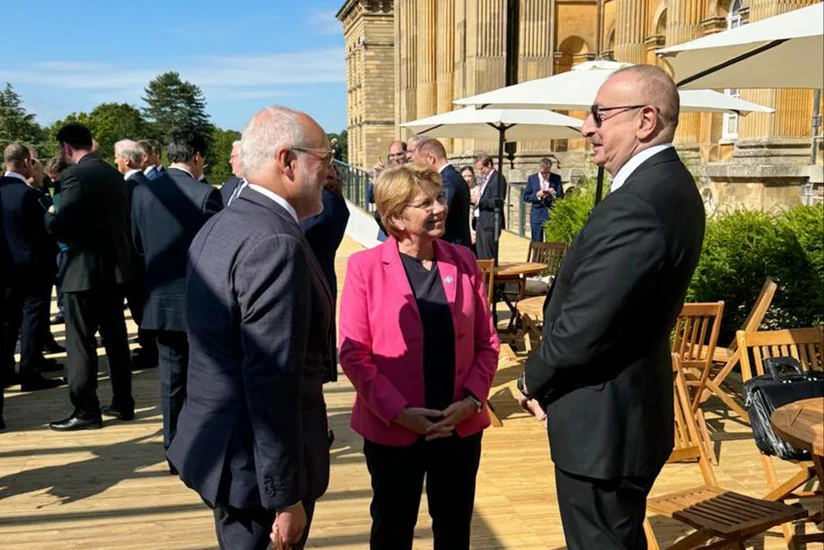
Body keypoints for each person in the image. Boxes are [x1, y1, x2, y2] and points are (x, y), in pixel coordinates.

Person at [517, 65, 706, 550]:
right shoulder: (666, 187)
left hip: (604, 428)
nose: (586, 127)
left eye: (599, 114)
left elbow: (585, 325)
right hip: (622, 418)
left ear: (645, 121)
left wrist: (530, 378)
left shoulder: (641, 201)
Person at [168, 106, 333, 550]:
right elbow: (271, 378)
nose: (332, 173)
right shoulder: (274, 241)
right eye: (325, 159)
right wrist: (285, 495)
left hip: (225, 453)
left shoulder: (225, 223)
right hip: (255, 473)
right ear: (288, 162)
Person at [338, 163, 499, 550]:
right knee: (393, 530)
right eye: (425, 203)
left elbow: (487, 343)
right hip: (395, 428)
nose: (439, 208)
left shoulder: (462, 261)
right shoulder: (365, 268)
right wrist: (399, 413)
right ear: (395, 216)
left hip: (457, 425)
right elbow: (354, 354)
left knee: (454, 529)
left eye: (440, 198)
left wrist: (472, 401)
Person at [133, 132, 222, 456]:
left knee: (170, 381)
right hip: (200, 305)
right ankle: (200, 446)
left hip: (159, 303)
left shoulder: (142, 193)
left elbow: (137, 246)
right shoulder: (205, 195)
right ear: (196, 157)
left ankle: (174, 449)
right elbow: (218, 253)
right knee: (205, 380)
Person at [45, 122, 135, 431]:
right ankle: (124, 402)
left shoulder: (74, 176)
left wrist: (50, 216)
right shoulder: (114, 175)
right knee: (116, 337)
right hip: (114, 269)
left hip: (82, 271)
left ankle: (86, 410)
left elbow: (62, 219)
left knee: (80, 342)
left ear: (67, 148)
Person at [0, 144, 65, 392]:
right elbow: (46, 231)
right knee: (32, 320)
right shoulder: (29, 194)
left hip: (5, 268)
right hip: (32, 267)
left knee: (7, 323)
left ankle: (6, 371)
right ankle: (30, 371)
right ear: (27, 162)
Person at [300, 162, 350, 382]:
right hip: (326, 268)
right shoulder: (339, 203)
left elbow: (302, 233)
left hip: (311, 271)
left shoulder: (322, 205)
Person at [113, 140, 157, 371]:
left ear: (127, 160)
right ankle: (148, 345)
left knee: (140, 306)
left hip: (133, 258)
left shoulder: (130, 187)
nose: (115, 161)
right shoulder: (147, 183)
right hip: (145, 255)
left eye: (117, 157)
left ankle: (149, 349)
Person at [414, 139, 473, 250]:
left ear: (430, 158)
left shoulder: (445, 181)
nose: (420, 170)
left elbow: (440, 214)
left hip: (452, 247)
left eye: (420, 164)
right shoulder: (455, 176)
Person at [369, 140, 407, 242]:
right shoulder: (385, 173)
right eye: (392, 155)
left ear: (406, 154)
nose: (395, 159)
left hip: (405, 231)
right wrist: (377, 178)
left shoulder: (412, 174)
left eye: (399, 154)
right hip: (386, 233)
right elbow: (371, 198)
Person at [473, 154, 507, 260]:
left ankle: (489, 276)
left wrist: (479, 201)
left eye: (482, 168)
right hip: (481, 221)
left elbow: (498, 201)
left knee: (488, 256)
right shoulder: (486, 179)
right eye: (478, 169)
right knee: (481, 256)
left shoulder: (498, 179)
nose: (480, 172)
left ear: (489, 164)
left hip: (490, 222)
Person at [523, 157, 564, 243]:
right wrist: (537, 195)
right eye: (543, 173)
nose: (545, 175)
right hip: (537, 215)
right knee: (537, 242)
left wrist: (554, 194)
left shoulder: (556, 178)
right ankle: (537, 256)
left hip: (551, 214)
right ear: (540, 169)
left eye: (547, 172)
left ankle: (550, 257)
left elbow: (561, 197)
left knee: (551, 242)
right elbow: (526, 197)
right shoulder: (532, 178)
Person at [220, 140, 246, 206]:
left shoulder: (258, 188)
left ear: (243, 157)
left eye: (232, 157)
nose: (230, 161)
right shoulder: (229, 184)